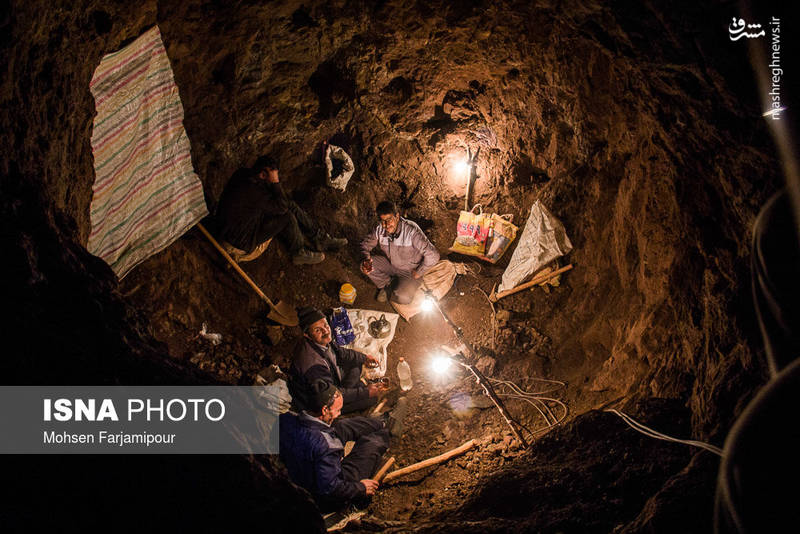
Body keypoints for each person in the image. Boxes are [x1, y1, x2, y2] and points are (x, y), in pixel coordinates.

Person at [279, 381, 405, 513]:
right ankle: (387, 431)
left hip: (301, 471)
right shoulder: (326, 447)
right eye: (338, 410)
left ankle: (382, 423)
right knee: (372, 444)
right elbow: (330, 489)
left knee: (341, 425)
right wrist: (361, 488)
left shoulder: (285, 419)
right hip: (320, 498)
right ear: (324, 410)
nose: (339, 413)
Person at [216, 155, 347, 265]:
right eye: (273, 177)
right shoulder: (256, 193)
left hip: (229, 226)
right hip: (238, 242)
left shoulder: (242, 174)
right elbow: (282, 207)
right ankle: (298, 252)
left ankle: (319, 238)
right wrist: (275, 184)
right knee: (287, 216)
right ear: (262, 174)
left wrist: (273, 183)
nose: (275, 180)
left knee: (290, 204)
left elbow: (281, 202)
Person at [289, 306, 388, 414]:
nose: (325, 331)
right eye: (317, 330)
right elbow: (332, 395)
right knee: (371, 399)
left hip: (333, 379)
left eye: (325, 325)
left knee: (357, 364)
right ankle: (353, 394)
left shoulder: (322, 339)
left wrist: (365, 358)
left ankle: (354, 391)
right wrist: (365, 392)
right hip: (321, 401)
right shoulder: (313, 365)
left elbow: (340, 352)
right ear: (307, 335)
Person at [360, 200, 440, 304]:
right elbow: (365, 245)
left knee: (403, 298)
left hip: (410, 272)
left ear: (397, 217)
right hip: (391, 265)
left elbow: (433, 255)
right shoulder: (379, 229)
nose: (386, 225)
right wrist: (366, 259)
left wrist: (419, 272)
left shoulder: (411, 231)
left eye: (389, 219)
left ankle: (403, 285)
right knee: (365, 266)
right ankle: (387, 284)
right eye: (383, 221)